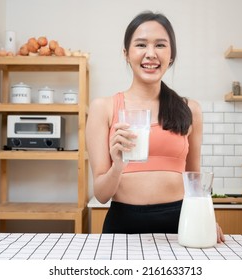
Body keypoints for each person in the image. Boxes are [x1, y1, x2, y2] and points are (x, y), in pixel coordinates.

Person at [86, 11, 224, 243]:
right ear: (126, 54)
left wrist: (205, 218)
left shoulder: (190, 109)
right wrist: (118, 166)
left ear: (171, 55)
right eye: (141, 45)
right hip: (122, 225)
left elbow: (194, 179)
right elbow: (100, 195)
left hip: (181, 223)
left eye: (160, 45)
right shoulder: (104, 108)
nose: (151, 54)